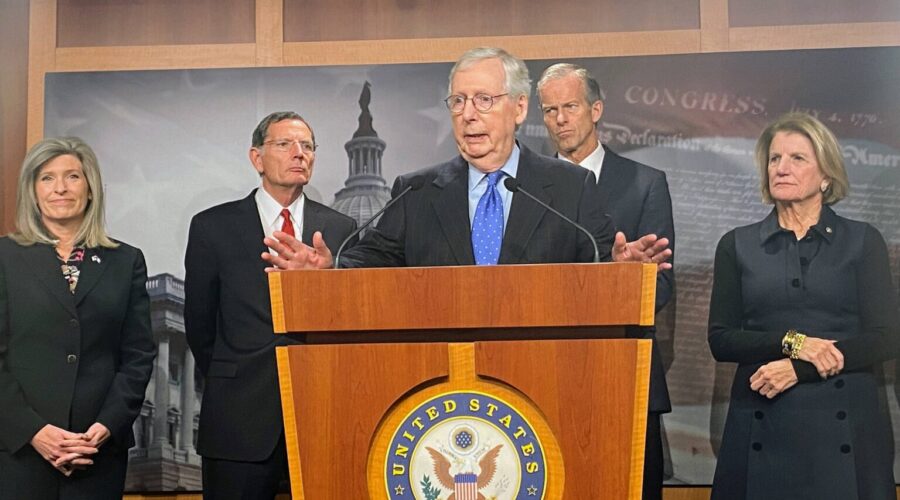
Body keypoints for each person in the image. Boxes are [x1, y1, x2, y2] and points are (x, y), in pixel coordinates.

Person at [262, 48, 671, 271]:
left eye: (483, 100)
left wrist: (620, 270)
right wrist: (332, 267)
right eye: (457, 101)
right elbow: (372, 259)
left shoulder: (568, 187)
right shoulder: (416, 191)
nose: (468, 114)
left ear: (519, 107)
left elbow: (596, 260)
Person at [707, 112, 899, 500]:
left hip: (846, 426)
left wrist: (801, 367)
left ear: (826, 175)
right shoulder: (737, 244)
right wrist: (793, 342)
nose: (781, 168)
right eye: (774, 159)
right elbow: (722, 339)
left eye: (797, 158)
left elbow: (885, 338)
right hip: (763, 420)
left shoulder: (862, 241)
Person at [184, 111, 357, 499]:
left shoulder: (342, 231)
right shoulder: (212, 227)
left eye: (307, 146)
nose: (299, 154)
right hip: (238, 421)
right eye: (285, 144)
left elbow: (350, 319)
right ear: (257, 158)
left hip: (323, 416)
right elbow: (200, 326)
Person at [536, 62, 675, 500]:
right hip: (546, 371)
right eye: (550, 110)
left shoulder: (645, 183)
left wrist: (623, 280)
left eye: (570, 106)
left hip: (625, 374)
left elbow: (664, 286)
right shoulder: (525, 186)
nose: (560, 119)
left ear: (596, 109)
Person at [0, 137, 156, 499]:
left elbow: (138, 356)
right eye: (47, 178)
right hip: (19, 450)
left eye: (72, 176)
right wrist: (35, 432)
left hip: (95, 451)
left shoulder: (125, 261)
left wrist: (105, 427)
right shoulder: (5, 257)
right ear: (32, 191)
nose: (60, 188)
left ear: (90, 189)